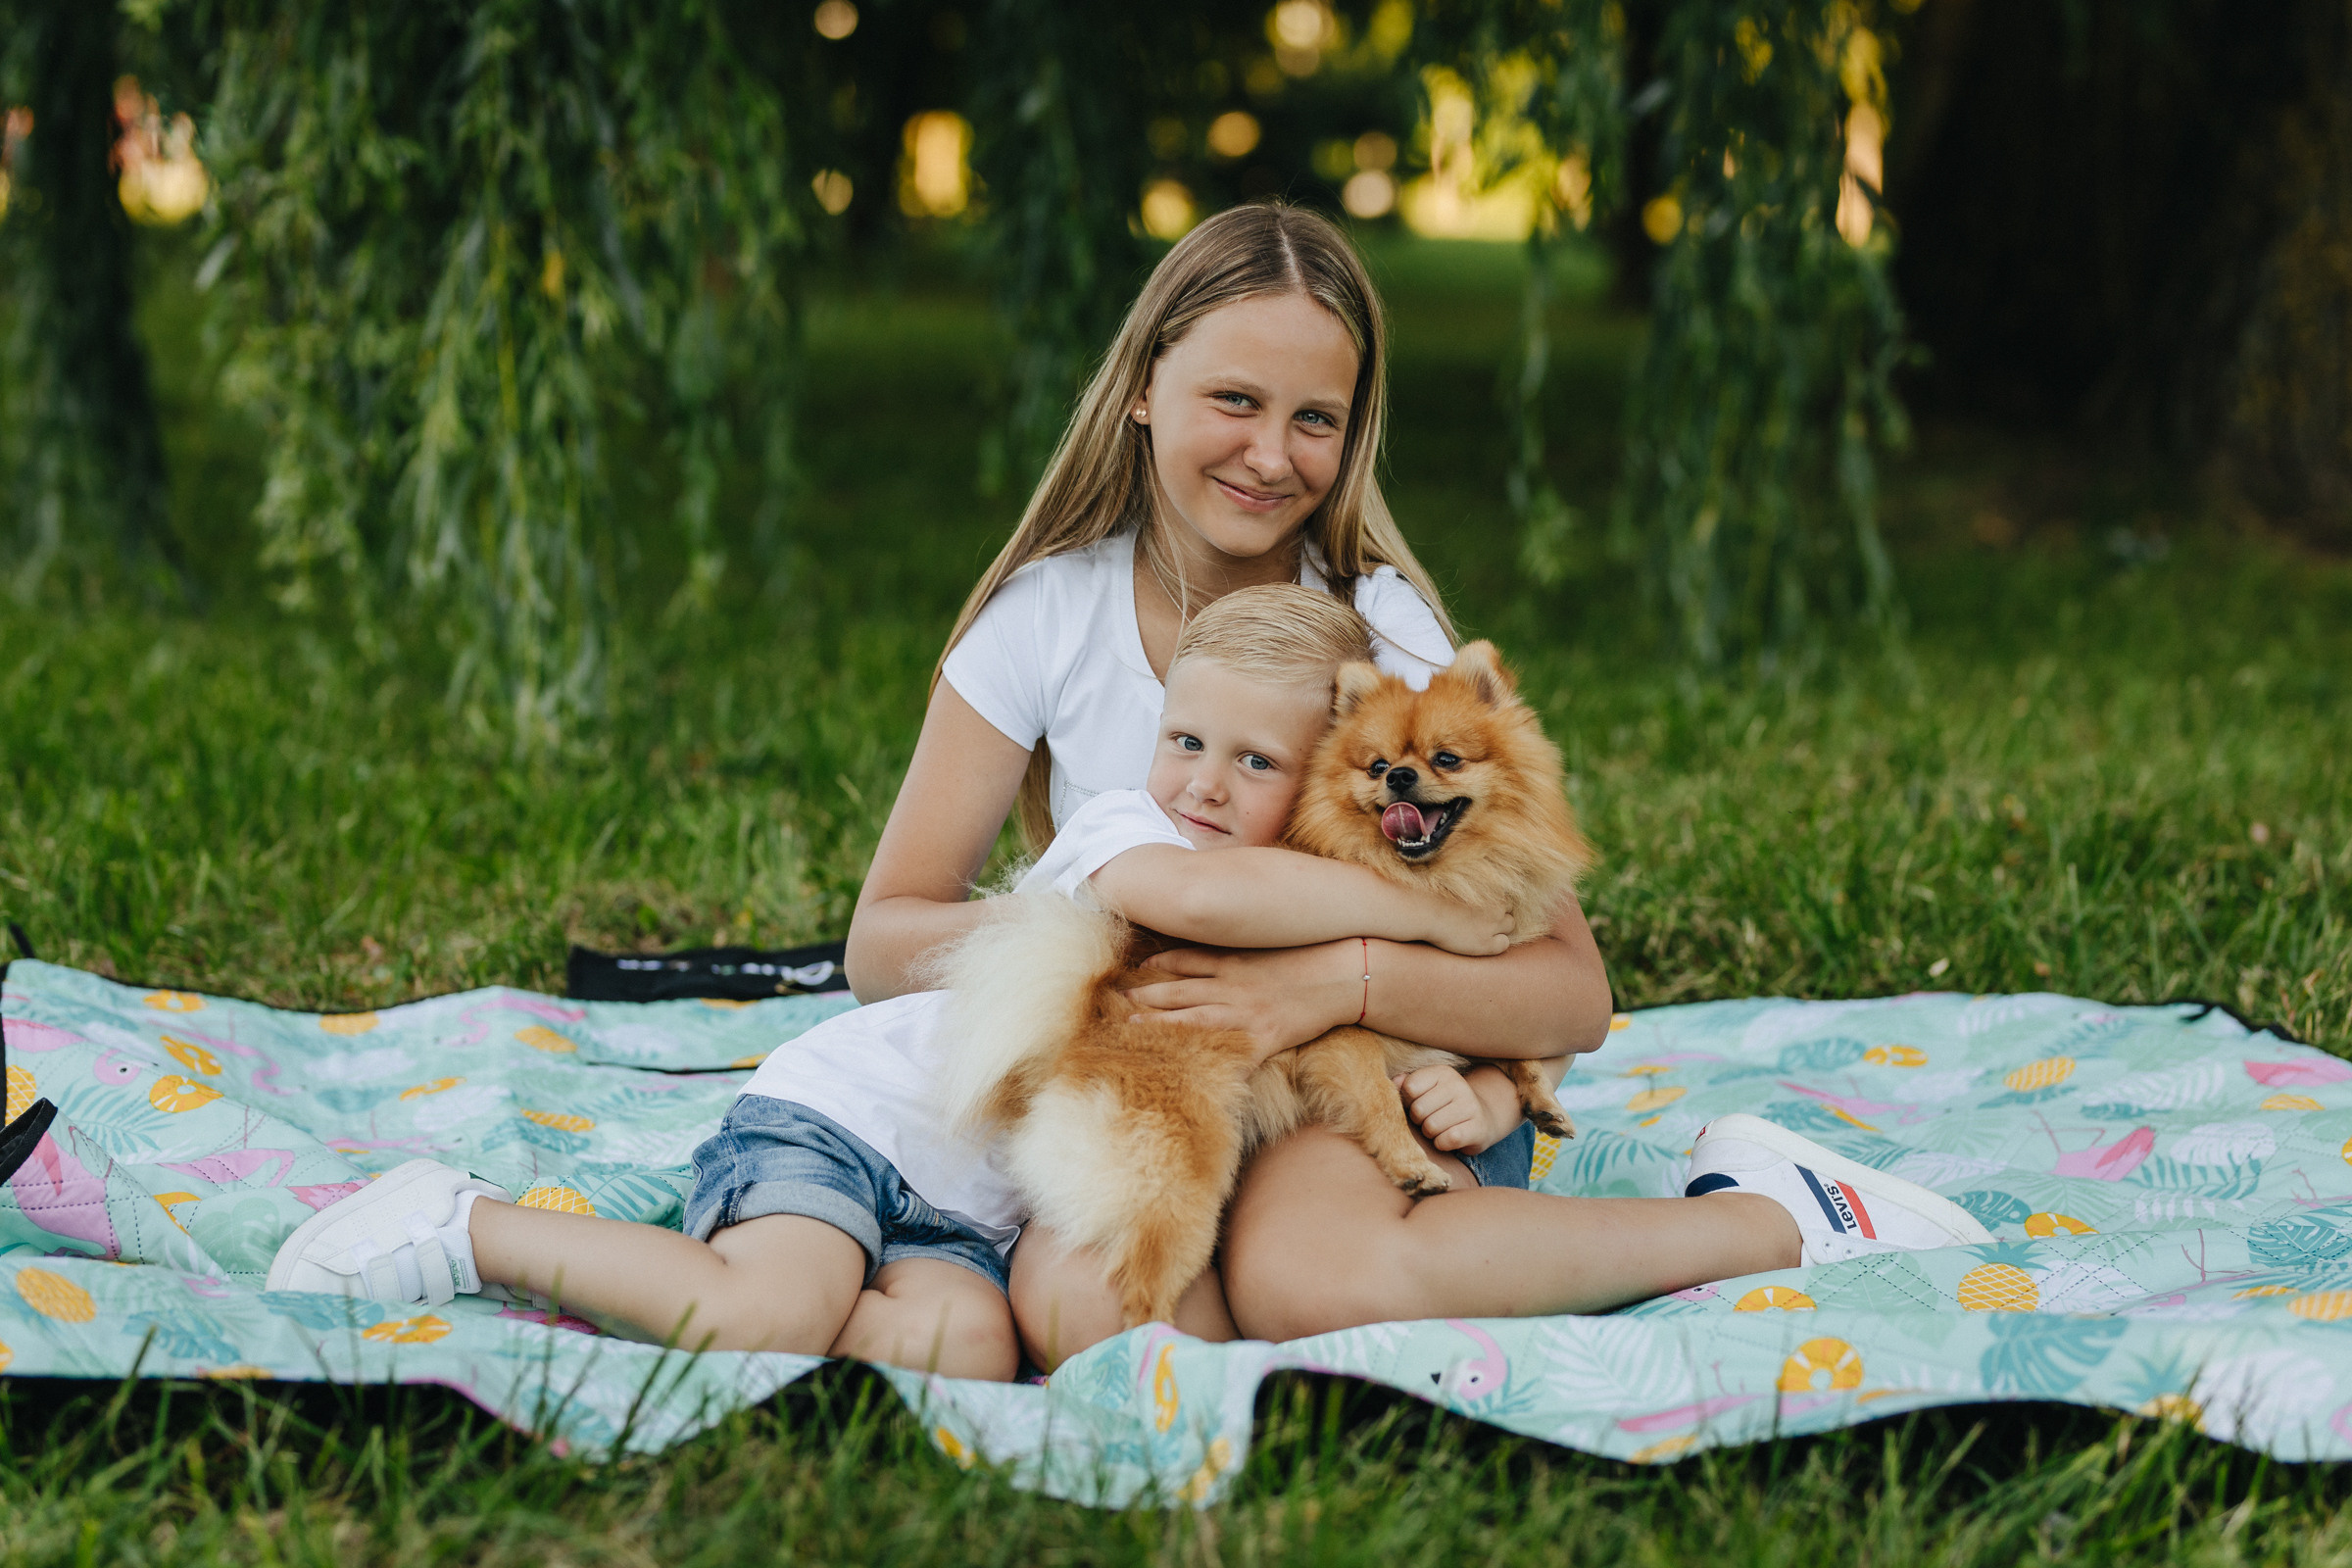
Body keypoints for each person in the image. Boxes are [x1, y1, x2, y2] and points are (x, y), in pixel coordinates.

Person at [843, 200, 1987, 1367]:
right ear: (1142, 383)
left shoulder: (1378, 638)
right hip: (1160, 1077)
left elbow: (1568, 994)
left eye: (1316, 419)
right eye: (1235, 400)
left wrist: (1323, 983)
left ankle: (1764, 1217)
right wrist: (1102, 935)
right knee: (1088, 1316)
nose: (1271, 454)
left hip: (1364, 1071)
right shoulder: (1045, 616)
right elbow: (883, 937)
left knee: (1315, 1278)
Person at [258, 588, 1513, 1377]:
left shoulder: (1289, 898)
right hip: (856, 1124)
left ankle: (750, 1293)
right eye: (1187, 738)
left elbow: (1355, 1036)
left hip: (975, 1213)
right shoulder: (1128, 838)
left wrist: (1490, 1088)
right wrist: (1441, 905)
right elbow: (1197, 904)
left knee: (964, 1349)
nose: (1204, 782)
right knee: (767, 1317)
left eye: (1254, 763)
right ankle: (469, 1226)